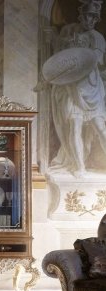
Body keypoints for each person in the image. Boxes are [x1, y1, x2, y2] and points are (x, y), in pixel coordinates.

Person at [43, 0, 106, 178]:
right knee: (74, 127)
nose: (91, 20)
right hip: (71, 87)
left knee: (101, 128)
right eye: (88, 16)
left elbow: (95, 60)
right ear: (81, 15)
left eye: (94, 18)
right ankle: (80, 167)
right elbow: (59, 58)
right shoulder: (68, 31)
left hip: (91, 87)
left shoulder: (98, 38)